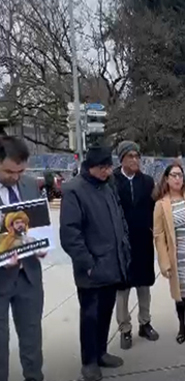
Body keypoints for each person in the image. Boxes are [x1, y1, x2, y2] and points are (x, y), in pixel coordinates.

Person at [60, 145, 131, 381]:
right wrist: (88, 263)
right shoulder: (74, 190)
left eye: (109, 167)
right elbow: (70, 234)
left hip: (113, 263)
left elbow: (119, 216)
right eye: (103, 168)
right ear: (90, 167)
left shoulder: (108, 185)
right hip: (91, 268)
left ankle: (101, 352)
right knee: (90, 316)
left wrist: (124, 246)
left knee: (105, 312)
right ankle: (89, 361)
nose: (108, 171)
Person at [0, 136, 45, 381]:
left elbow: (36, 225)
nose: (15, 177)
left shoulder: (29, 185)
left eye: (20, 171)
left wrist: (39, 244)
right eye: (9, 171)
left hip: (29, 276)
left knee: (32, 340)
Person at [112, 141, 159, 350]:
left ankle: (145, 322)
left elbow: (156, 207)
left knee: (143, 285)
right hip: (121, 243)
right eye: (130, 156)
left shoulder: (147, 182)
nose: (134, 160)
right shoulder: (112, 181)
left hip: (143, 240)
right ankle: (125, 328)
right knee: (122, 289)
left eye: (137, 156)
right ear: (121, 158)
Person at [153, 163, 185, 344]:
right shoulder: (161, 204)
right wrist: (164, 262)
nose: (177, 179)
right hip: (176, 256)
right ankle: (182, 325)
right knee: (179, 294)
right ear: (166, 179)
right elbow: (158, 235)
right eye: (173, 175)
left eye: (180, 175)